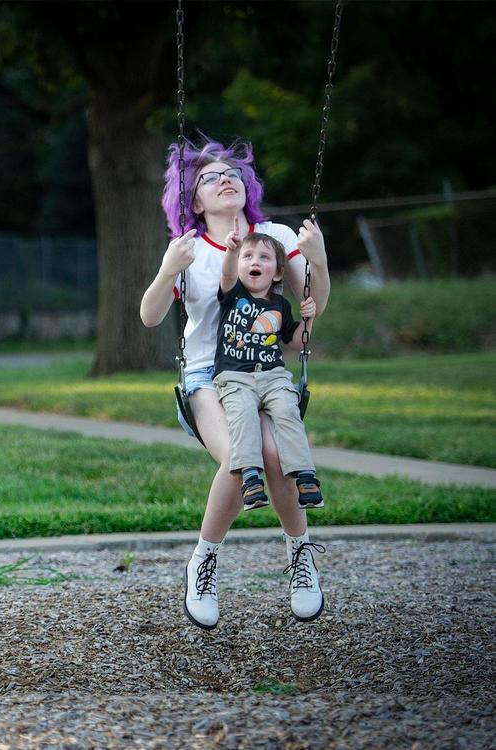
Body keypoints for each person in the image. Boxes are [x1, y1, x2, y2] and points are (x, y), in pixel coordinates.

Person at [139, 138, 329, 630]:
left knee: (274, 452)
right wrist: (167, 272)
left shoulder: (274, 235)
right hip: (206, 373)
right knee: (238, 457)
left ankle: (300, 555)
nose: (225, 179)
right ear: (194, 202)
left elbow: (313, 306)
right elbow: (149, 316)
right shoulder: (189, 250)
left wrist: (319, 261)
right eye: (209, 177)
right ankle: (203, 562)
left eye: (232, 174)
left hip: (265, 371)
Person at [213, 229, 324, 512]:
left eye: (264, 257)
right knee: (243, 416)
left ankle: (305, 475)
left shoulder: (280, 306)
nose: (255, 262)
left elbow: (298, 341)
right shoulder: (233, 293)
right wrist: (230, 251)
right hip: (235, 376)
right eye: (247, 256)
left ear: (277, 273)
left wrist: (308, 319)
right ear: (239, 266)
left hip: (274, 375)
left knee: (289, 412)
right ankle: (250, 476)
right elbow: (226, 275)